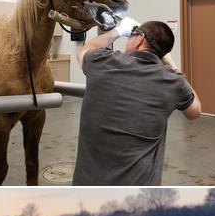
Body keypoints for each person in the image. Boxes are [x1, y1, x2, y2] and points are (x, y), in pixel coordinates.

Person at [73, 18, 202, 186]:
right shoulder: (174, 82)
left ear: (140, 38)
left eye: (130, 35)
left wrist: (118, 31)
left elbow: (85, 49)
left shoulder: (102, 61)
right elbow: (195, 112)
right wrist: (171, 63)